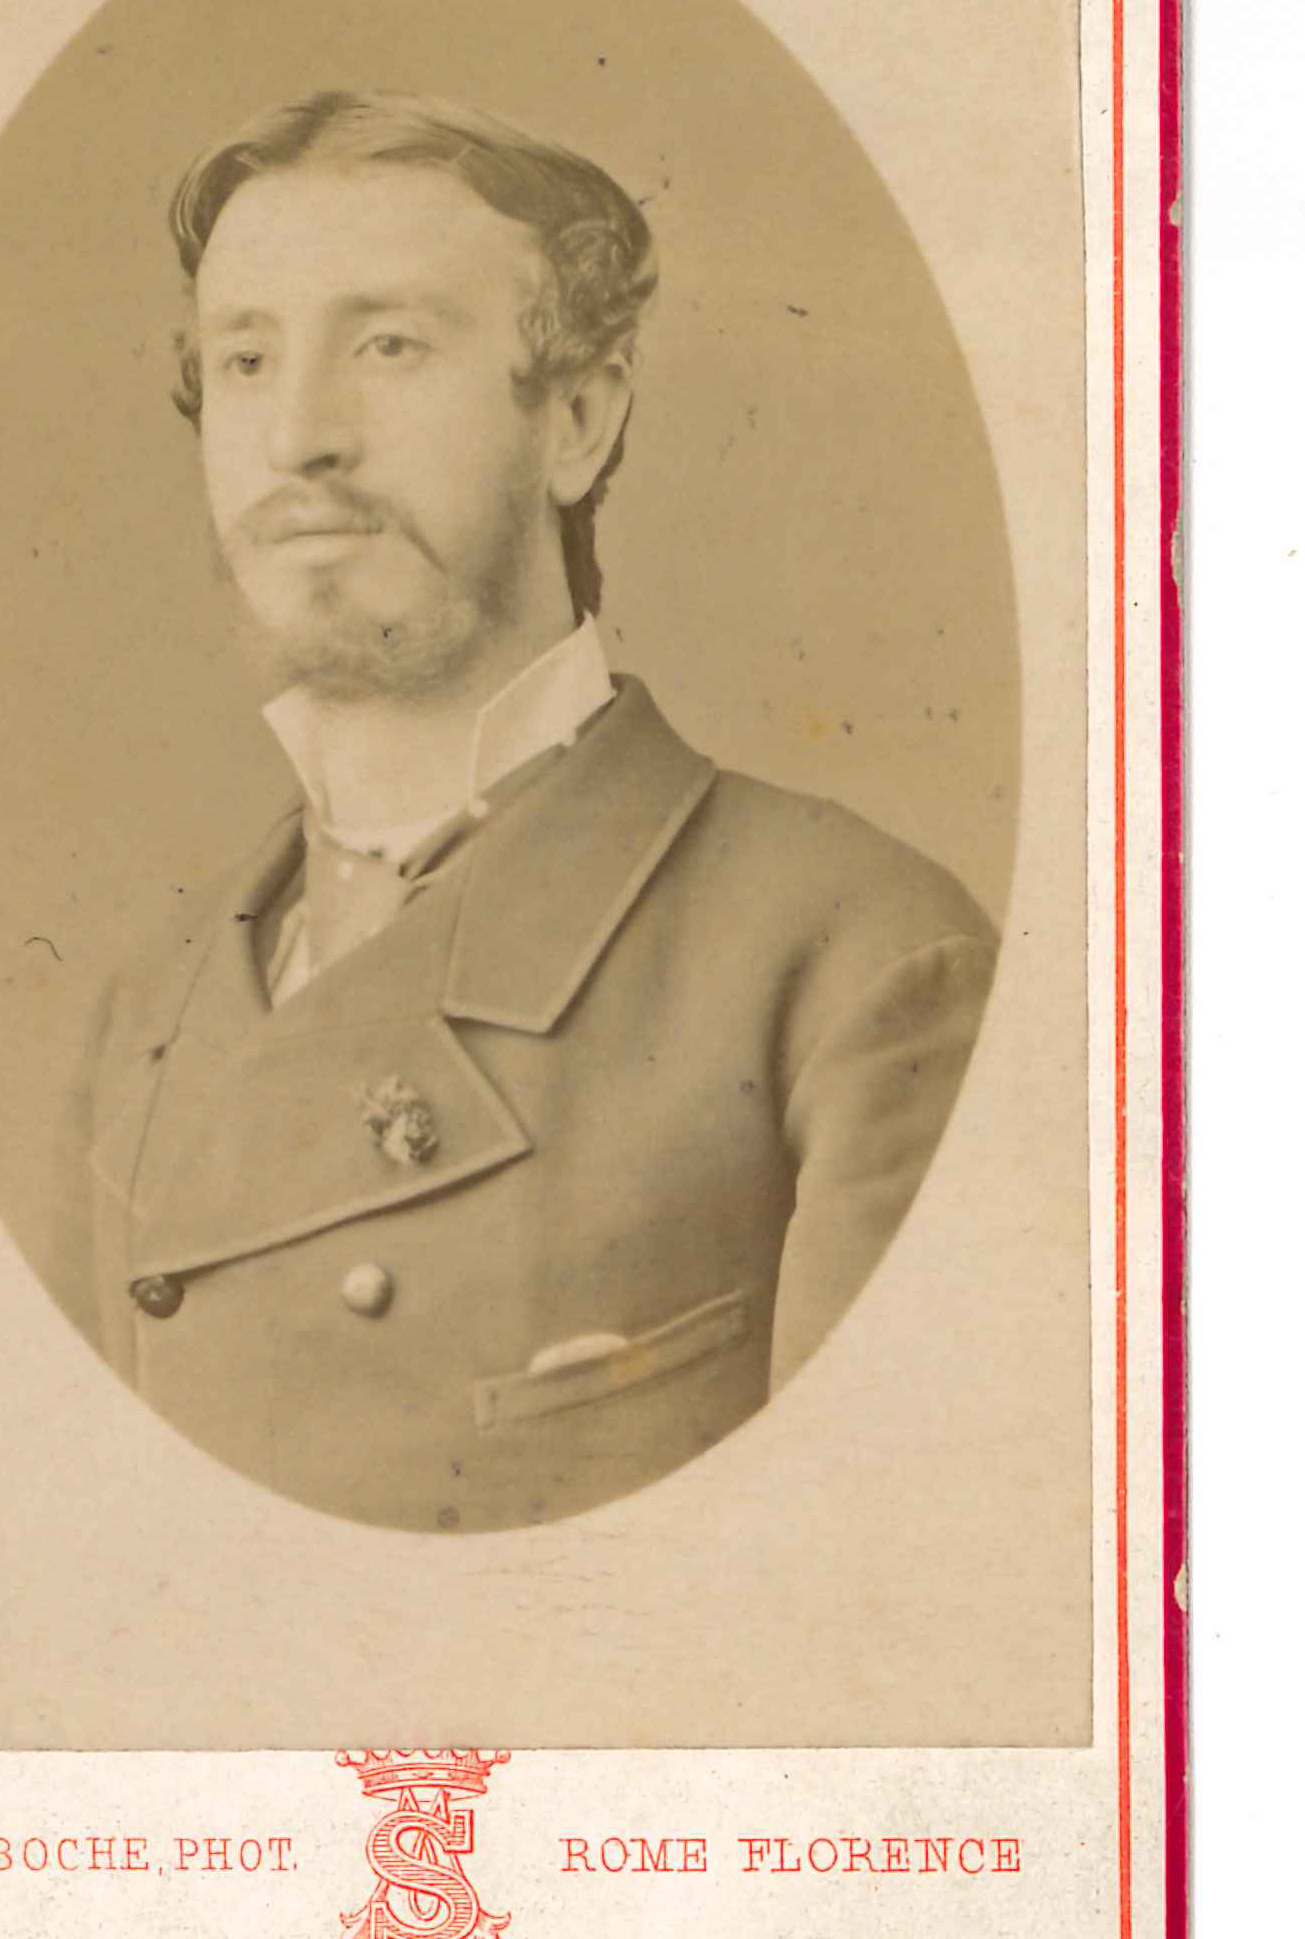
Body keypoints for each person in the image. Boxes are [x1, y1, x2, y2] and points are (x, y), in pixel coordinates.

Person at [78, 90, 997, 1534]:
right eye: (245, 359)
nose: (299, 436)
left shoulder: (857, 963)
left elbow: (868, 1584)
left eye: (387, 346)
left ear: (575, 418)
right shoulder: (149, 1008)